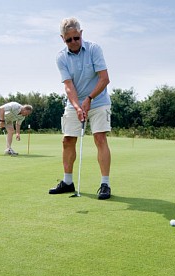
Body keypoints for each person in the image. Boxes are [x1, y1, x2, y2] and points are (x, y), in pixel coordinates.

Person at [49, 17, 112, 200]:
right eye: (69, 40)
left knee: (100, 138)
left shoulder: (94, 49)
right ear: (63, 39)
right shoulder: (61, 57)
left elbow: (104, 78)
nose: (74, 42)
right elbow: (68, 86)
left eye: (76, 38)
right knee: (67, 140)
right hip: (74, 102)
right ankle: (68, 182)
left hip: (98, 100)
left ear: (81, 34)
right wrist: (77, 106)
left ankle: (105, 184)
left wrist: (90, 99)